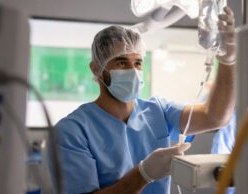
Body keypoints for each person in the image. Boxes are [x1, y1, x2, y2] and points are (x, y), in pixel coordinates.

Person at [51, 6, 236, 194]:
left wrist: (227, 60)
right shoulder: (71, 132)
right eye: (121, 62)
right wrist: (143, 174)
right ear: (97, 69)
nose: (132, 71)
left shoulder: (158, 111)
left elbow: (215, 117)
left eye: (137, 62)